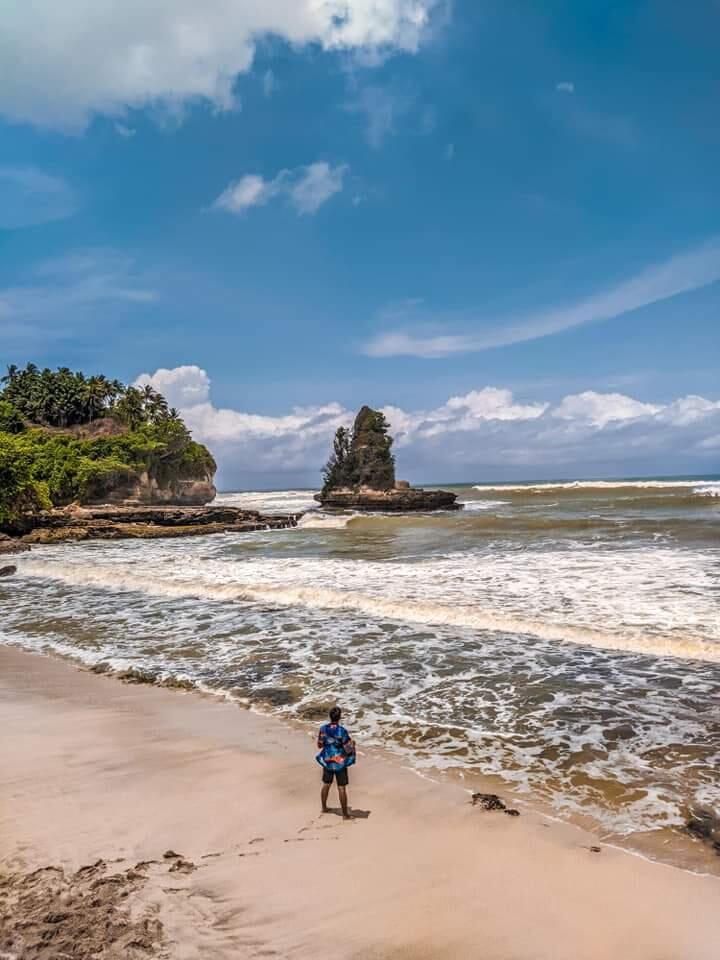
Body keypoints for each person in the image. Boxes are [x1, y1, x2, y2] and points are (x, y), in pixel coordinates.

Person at [316, 706, 355, 820]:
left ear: (330, 716)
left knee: (326, 784)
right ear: (339, 717)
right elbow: (348, 749)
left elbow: (319, 745)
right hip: (339, 762)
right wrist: (353, 744)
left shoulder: (323, 729)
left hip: (327, 761)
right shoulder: (342, 731)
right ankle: (345, 815)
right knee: (341, 788)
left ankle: (324, 807)